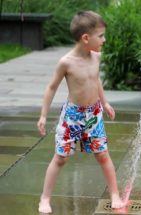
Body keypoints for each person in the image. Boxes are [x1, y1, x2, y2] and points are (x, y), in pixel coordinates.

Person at [37, 11, 125, 213]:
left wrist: (105, 103)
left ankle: (114, 194)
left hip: (93, 115)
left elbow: (95, 80)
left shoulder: (96, 57)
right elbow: (51, 88)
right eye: (101, 36)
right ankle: (45, 198)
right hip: (72, 116)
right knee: (61, 157)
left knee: (103, 154)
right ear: (86, 38)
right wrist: (43, 115)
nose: (104, 40)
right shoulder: (66, 62)